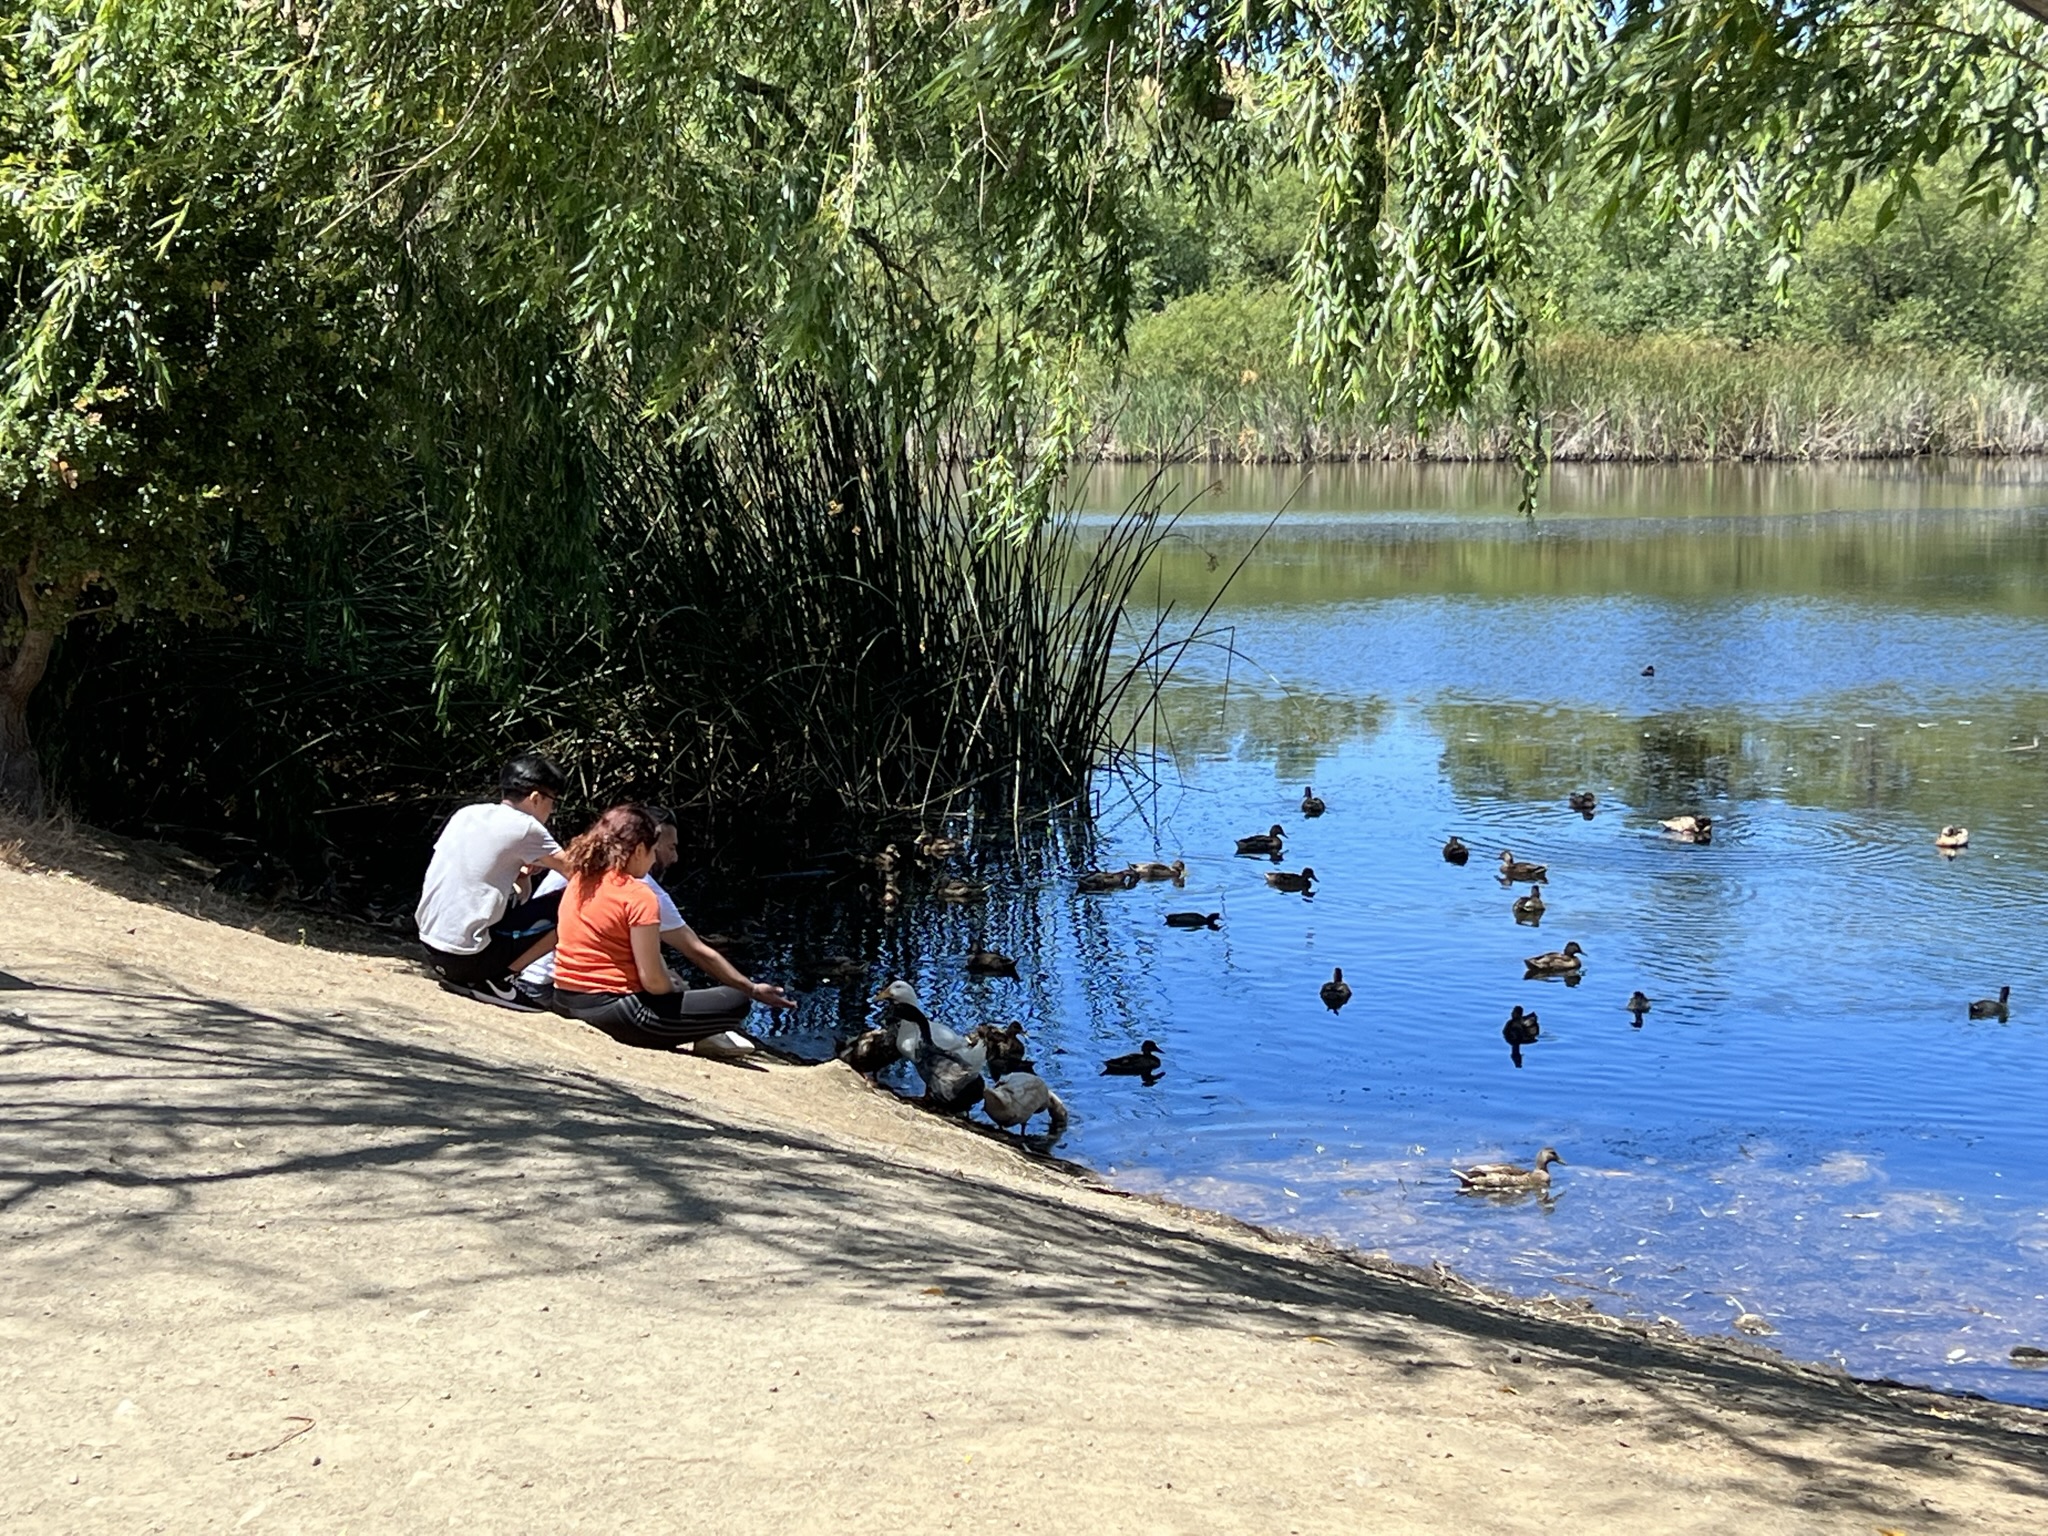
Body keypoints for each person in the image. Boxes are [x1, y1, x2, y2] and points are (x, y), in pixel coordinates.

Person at [550, 804, 795, 1058]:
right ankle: (707, 1036)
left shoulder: (582, 878)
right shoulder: (638, 894)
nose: (654, 859)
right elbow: (653, 982)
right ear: (638, 850)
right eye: (653, 851)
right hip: (617, 1013)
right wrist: (673, 986)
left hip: (565, 999)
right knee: (735, 1000)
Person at [414, 752, 572, 1009]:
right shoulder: (526, 827)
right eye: (552, 802)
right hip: (467, 960)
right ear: (535, 798)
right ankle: (499, 980)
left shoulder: (467, 813)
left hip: (431, 949)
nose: (551, 810)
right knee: (569, 902)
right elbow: (576, 873)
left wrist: (522, 876)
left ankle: (481, 976)